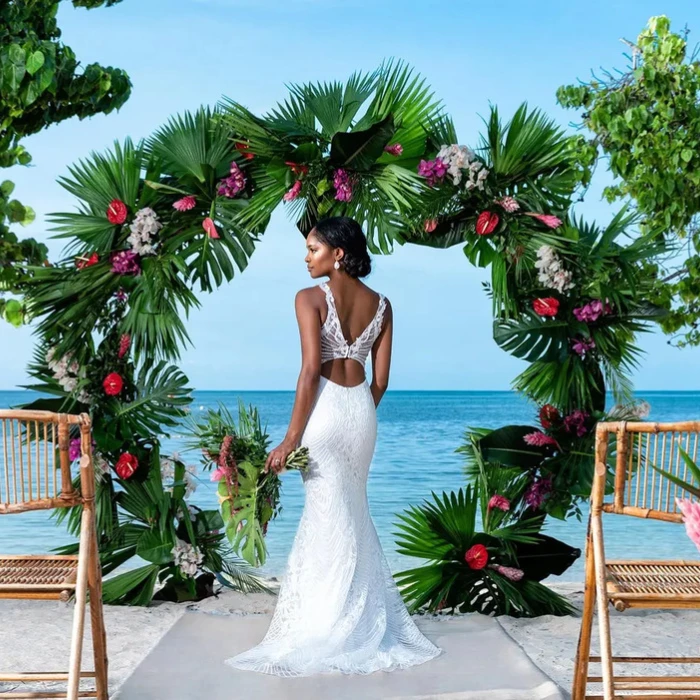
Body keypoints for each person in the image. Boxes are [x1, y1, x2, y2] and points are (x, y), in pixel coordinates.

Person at [225, 216, 443, 677]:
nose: (306, 258)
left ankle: (326, 620)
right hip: (360, 413)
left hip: (323, 411)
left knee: (326, 512)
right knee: (352, 510)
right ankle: (356, 617)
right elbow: (381, 381)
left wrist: (290, 438)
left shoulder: (308, 299)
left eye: (313, 249)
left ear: (337, 253)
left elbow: (309, 371)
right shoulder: (383, 305)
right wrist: (357, 409)